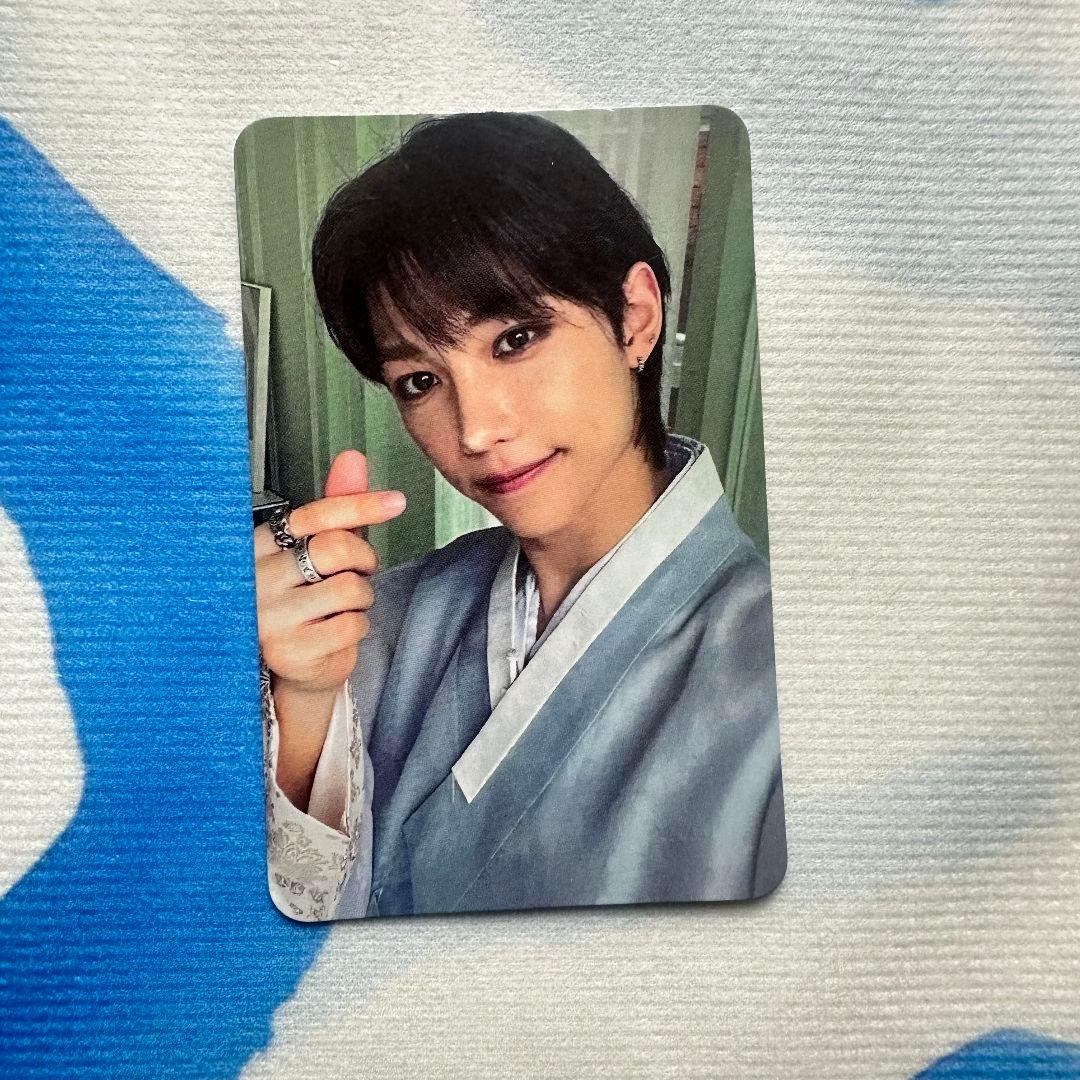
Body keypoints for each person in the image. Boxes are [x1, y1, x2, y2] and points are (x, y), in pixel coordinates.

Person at [254, 111, 786, 921]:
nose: (475, 429)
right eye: (420, 381)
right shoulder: (381, 620)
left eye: (516, 339)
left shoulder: (776, 678)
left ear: (636, 317)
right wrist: (303, 704)